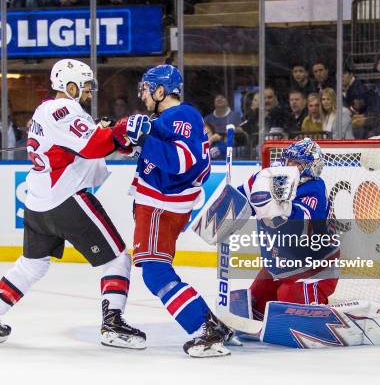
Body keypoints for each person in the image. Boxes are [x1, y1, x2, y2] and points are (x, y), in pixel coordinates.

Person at [0, 59, 145, 349]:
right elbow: (92, 147)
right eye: (86, 86)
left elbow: (83, 144)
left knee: (32, 265)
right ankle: (113, 324)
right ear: (71, 86)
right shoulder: (64, 109)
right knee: (117, 259)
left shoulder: (45, 109)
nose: (90, 92)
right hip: (68, 198)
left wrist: (114, 136)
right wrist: (121, 130)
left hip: (39, 203)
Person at [113, 64, 234, 357]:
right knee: (156, 269)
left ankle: (204, 330)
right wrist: (131, 143)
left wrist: (145, 139)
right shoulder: (168, 117)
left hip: (160, 206)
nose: (141, 94)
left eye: (146, 89)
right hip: (160, 205)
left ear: (160, 91)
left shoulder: (182, 115)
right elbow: (155, 152)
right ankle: (212, 323)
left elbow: (181, 161)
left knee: (155, 273)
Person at [237, 138, 338, 320]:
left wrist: (278, 207)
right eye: (289, 160)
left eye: (298, 163)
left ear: (312, 167)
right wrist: (227, 211)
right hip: (281, 263)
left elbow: (299, 225)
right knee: (253, 303)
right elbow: (242, 198)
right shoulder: (271, 178)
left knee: (289, 296)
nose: (291, 166)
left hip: (314, 267)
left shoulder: (314, 187)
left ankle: (317, 314)